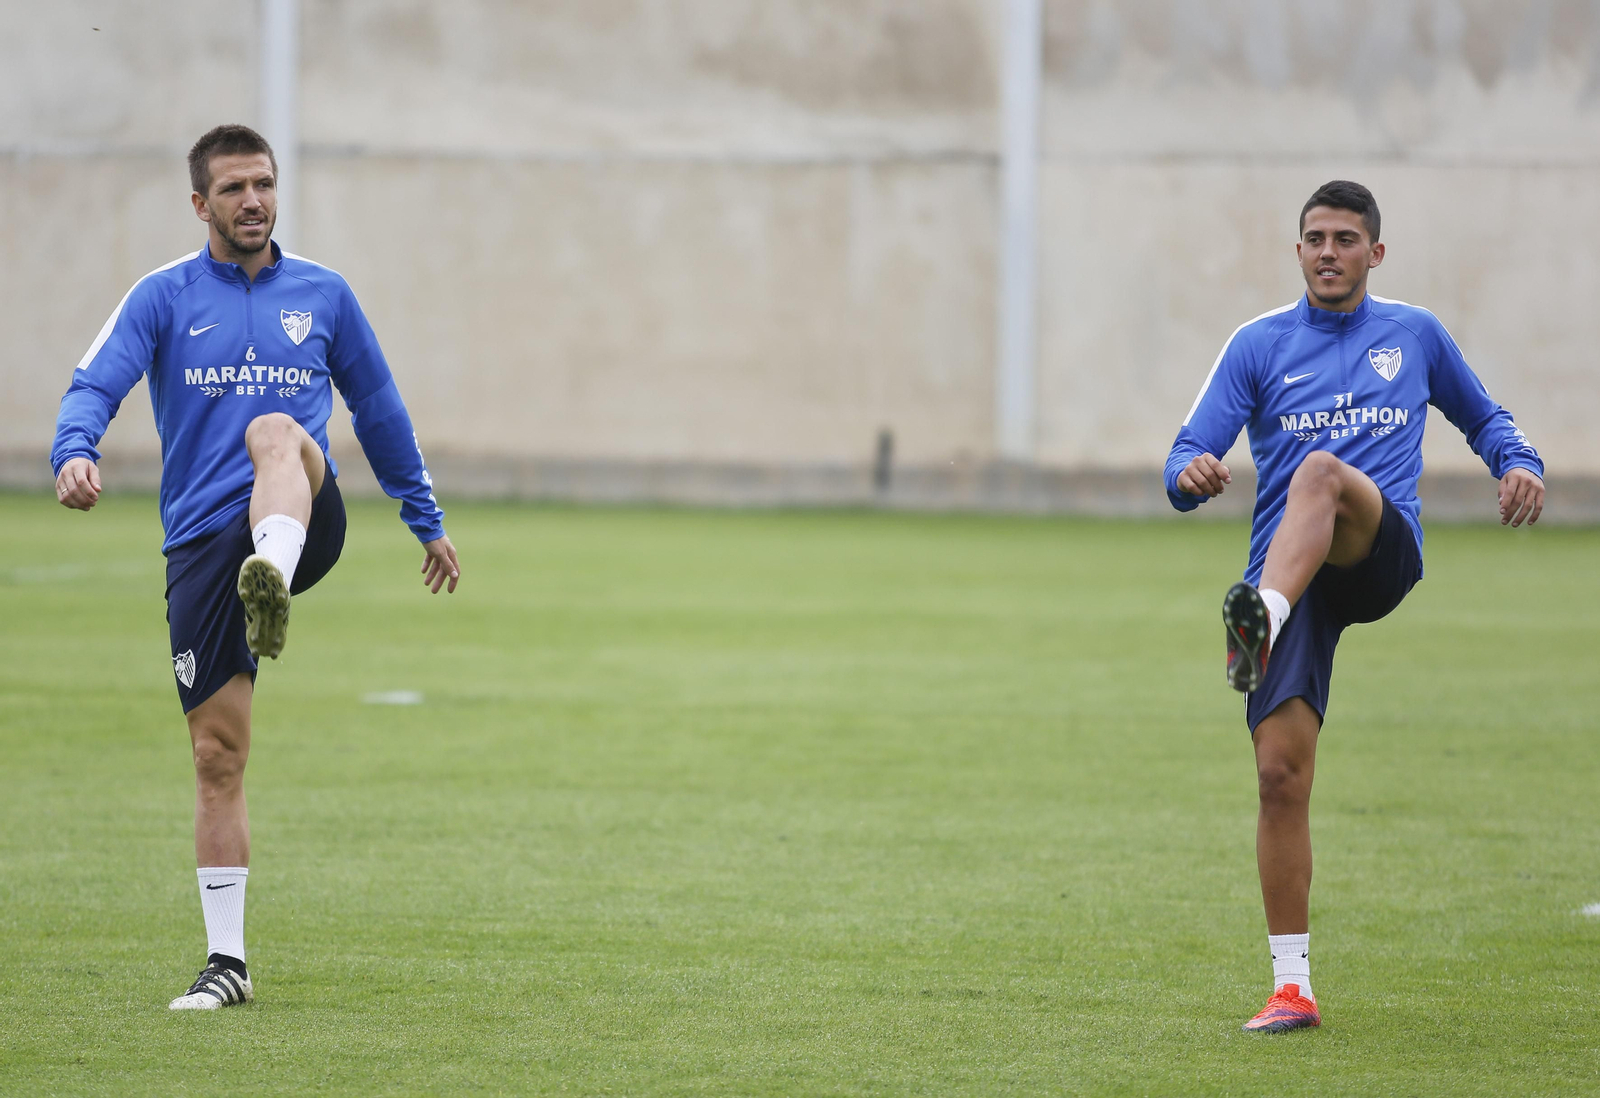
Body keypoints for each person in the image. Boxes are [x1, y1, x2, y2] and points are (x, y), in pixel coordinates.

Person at [51, 124, 462, 1010]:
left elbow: (380, 408)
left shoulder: (323, 294)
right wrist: (73, 451)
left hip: (302, 514)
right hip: (204, 543)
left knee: (276, 429)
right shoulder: (162, 297)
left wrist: (423, 518)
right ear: (200, 204)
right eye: (234, 189)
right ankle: (226, 964)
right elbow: (95, 381)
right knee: (216, 755)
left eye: (265, 185)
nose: (254, 202)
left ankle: (270, 575)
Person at [1163, 180, 1544, 1033]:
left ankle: (1258, 614)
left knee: (1322, 474)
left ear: (1375, 253)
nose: (1327, 252)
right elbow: (1189, 451)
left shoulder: (1413, 335)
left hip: (1376, 551)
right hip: (1294, 581)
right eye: (1313, 239)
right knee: (1278, 778)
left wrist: (1519, 462)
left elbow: (1484, 418)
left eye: (1344, 239)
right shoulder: (1258, 344)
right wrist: (1187, 476)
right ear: (1296, 252)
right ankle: (1292, 988)